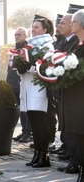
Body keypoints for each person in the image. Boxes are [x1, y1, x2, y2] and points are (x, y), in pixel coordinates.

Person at [18, 16, 54, 168]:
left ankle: (44, 155)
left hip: (39, 88)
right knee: (33, 122)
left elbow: (47, 67)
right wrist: (20, 68)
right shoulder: (29, 45)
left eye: (37, 27)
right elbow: (23, 65)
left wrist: (30, 67)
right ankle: (37, 154)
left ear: (45, 30)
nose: (33, 29)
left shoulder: (48, 45)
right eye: (32, 27)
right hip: (27, 86)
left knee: (41, 123)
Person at [60, 10, 84, 182]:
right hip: (73, 97)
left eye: (74, 21)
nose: (71, 24)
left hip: (80, 98)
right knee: (75, 135)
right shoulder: (78, 44)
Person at [55, 13, 80, 174]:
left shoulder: (78, 43)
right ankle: (74, 158)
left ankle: (77, 161)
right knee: (67, 127)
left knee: (74, 129)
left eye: (72, 22)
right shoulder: (67, 42)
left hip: (76, 93)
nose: (61, 26)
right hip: (65, 91)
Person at [9, 27, 32, 143]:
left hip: (23, 83)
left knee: (27, 109)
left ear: (25, 36)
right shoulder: (13, 50)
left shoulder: (27, 50)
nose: (16, 36)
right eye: (15, 34)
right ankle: (24, 131)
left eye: (19, 34)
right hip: (14, 84)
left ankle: (29, 132)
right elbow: (10, 68)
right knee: (21, 110)